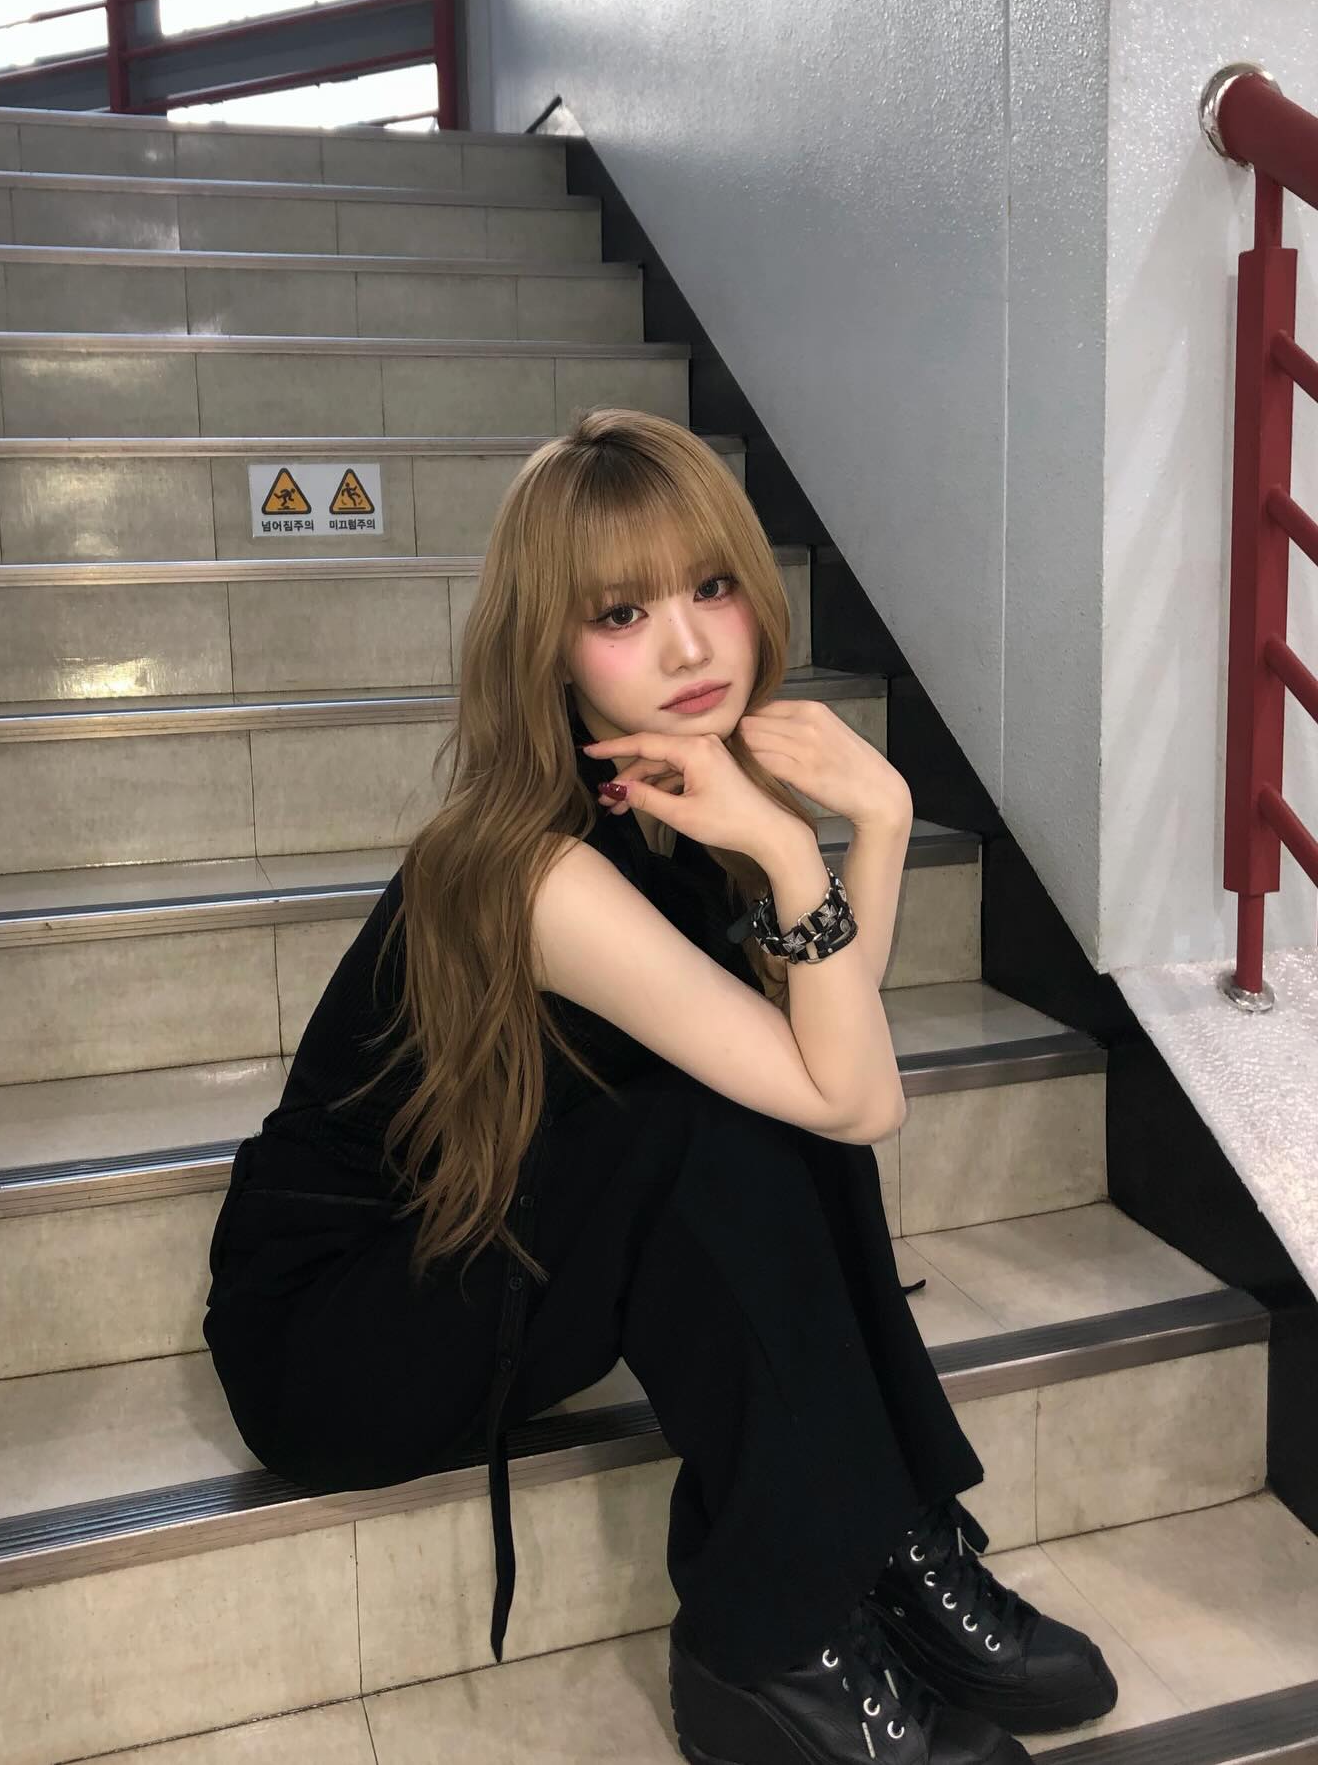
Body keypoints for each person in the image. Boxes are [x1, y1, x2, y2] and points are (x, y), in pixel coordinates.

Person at [203, 409, 1118, 1764]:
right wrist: (798, 853)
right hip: (348, 1335)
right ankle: (774, 1644)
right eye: (623, 613)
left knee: (763, 1106)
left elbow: (835, 1059)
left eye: (712, 587)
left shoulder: (677, 801)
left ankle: (888, 1541)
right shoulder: (536, 869)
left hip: (497, 1253)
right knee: (710, 1135)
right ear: (551, 650)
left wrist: (868, 823)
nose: (690, 646)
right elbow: (858, 1099)